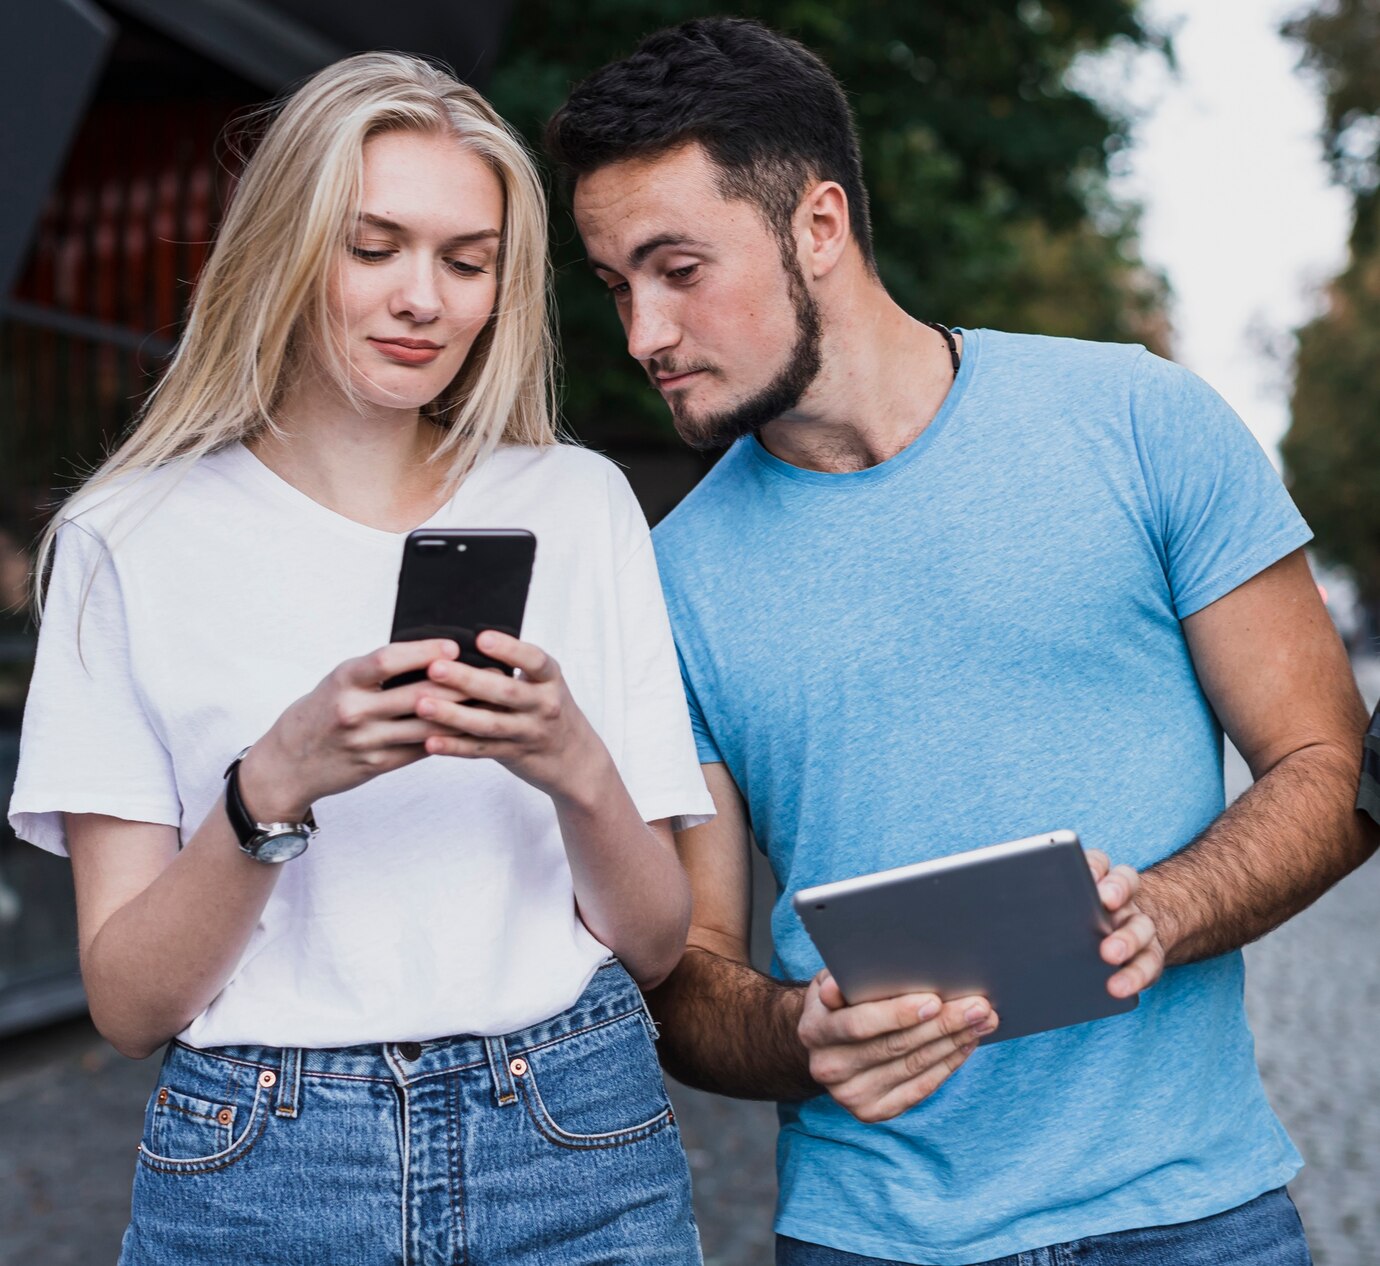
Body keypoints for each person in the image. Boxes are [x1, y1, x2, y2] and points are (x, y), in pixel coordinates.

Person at [547, 18, 1377, 1266]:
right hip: (870, 1236)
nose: (642, 335)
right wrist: (801, 1034)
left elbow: (1331, 765)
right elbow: (688, 972)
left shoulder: (1141, 423)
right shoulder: (663, 581)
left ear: (818, 225)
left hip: (1192, 1217)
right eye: (618, 286)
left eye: (678, 270)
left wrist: (1165, 910)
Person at [10, 52, 711, 1265]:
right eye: (373, 247)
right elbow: (127, 1004)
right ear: (285, 248)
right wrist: (272, 785)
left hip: (573, 1130)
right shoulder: (125, 539)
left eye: (467, 261)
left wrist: (575, 765)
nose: (422, 299)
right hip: (263, 1163)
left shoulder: (578, 502)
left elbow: (653, 943)